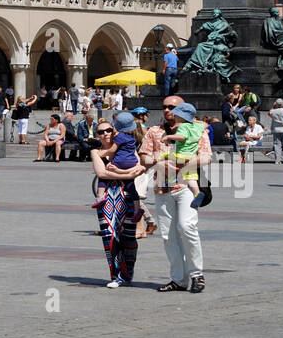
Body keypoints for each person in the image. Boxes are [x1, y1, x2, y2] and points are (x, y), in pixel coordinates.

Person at [140, 98, 210, 293]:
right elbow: (143, 157)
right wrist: (157, 162)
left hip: (186, 185)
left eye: (172, 107)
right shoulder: (155, 131)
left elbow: (207, 156)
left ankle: (197, 275)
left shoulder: (196, 129)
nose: (167, 110)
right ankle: (178, 279)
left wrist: (187, 164)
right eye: (164, 106)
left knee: (187, 226)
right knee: (168, 235)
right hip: (162, 188)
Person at [89, 113, 148, 287]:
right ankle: (116, 276)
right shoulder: (96, 151)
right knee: (110, 236)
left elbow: (140, 167)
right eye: (101, 132)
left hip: (127, 195)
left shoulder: (127, 147)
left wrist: (128, 172)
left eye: (108, 130)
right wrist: (127, 173)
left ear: (114, 130)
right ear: (97, 135)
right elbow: (102, 173)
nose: (105, 134)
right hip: (108, 197)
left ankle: (128, 272)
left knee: (129, 238)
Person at [267, 99, 283, 165]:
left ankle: (277, 160)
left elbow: (269, 113)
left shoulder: (273, 111)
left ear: (276, 104)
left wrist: (273, 106)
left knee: (277, 145)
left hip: (276, 130)